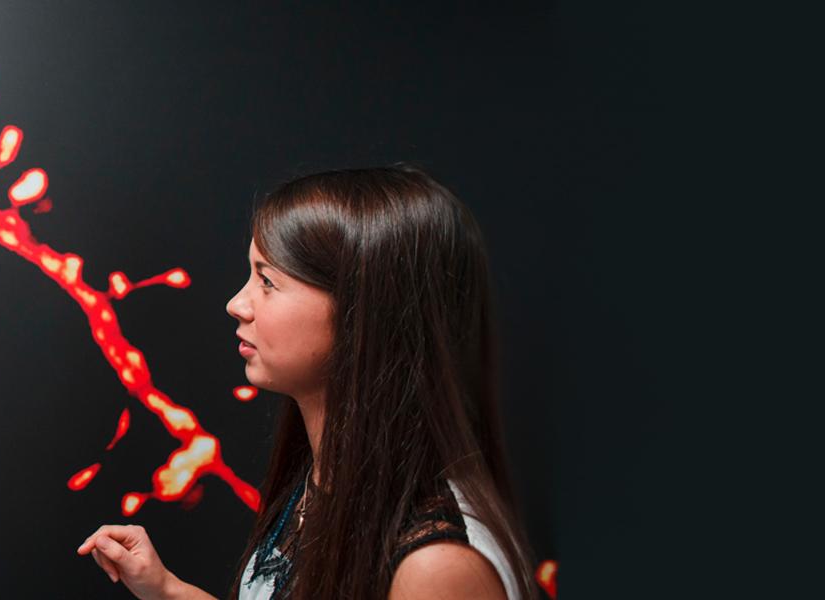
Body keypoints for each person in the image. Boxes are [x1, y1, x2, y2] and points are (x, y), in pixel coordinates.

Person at [77, 166, 534, 599]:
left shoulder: (436, 566)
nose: (237, 304)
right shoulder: (327, 479)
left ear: (364, 311)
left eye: (268, 281)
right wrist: (168, 590)